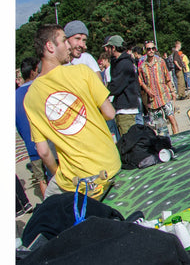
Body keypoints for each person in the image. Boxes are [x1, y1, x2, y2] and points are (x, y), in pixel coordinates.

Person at [24, 24, 120, 199]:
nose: (69, 46)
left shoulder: (31, 97)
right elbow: (110, 113)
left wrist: (56, 173)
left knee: (49, 213)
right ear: (50, 46)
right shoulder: (82, 72)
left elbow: (43, 151)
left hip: (76, 178)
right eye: (63, 41)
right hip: (109, 164)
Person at [15, 57, 49, 200]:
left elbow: (18, 125)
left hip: (31, 145)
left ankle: (49, 207)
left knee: (41, 179)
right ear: (35, 70)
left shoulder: (15, 96)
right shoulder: (40, 86)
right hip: (48, 142)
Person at [104, 35, 141, 137]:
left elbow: (116, 85)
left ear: (114, 47)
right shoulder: (120, 62)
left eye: (108, 47)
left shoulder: (124, 63)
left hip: (126, 109)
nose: (106, 50)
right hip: (122, 108)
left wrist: (102, 94)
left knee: (128, 139)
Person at [138, 42, 179, 134]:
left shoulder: (161, 62)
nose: (151, 51)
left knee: (171, 118)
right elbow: (141, 81)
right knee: (160, 125)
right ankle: (165, 142)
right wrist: (147, 90)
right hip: (153, 100)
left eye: (153, 48)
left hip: (164, 95)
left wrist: (172, 91)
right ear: (145, 50)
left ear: (155, 49)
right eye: (149, 49)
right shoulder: (142, 67)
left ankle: (177, 137)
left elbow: (167, 77)